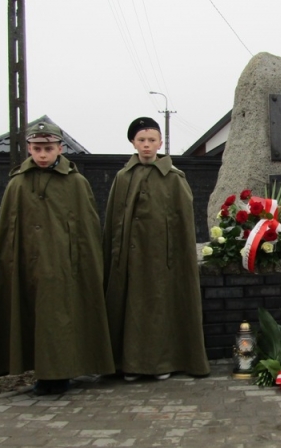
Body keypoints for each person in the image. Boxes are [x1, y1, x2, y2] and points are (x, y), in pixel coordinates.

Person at [0, 121, 115, 395]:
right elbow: (8, 232)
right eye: (37, 148)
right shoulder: (17, 183)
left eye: (48, 148)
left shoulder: (76, 183)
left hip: (65, 267)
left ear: (60, 149)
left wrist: (84, 266)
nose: (42, 154)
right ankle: (39, 371)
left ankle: (59, 374)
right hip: (27, 266)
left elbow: (87, 230)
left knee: (59, 318)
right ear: (29, 148)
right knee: (32, 316)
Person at [103, 117, 210, 381]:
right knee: (131, 309)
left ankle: (163, 363)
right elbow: (113, 220)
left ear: (161, 142)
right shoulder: (123, 177)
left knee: (162, 307)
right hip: (129, 259)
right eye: (141, 140)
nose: (147, 145)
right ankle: (129, 364)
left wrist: (175, 255)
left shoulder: (174, 178)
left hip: (164, 260)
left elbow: (183, 224)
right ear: (133, 143)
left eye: (152, 140)